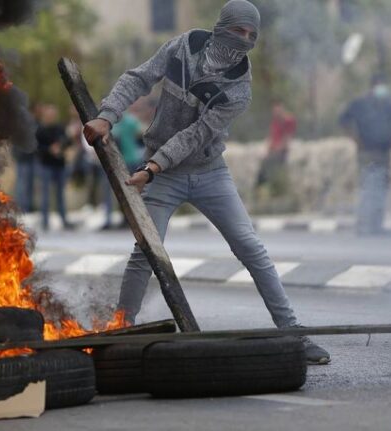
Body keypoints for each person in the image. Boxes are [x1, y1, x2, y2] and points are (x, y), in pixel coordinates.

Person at [83, 0, 330, 364]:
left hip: (208, 172)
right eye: (238, 30)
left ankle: (293, 332)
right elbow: (139, 78)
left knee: (250, 248)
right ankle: (121, 327)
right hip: (166, 176)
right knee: (146, 252)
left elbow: (197, 135)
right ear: (220, 27)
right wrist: (107, 116)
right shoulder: (182, 47)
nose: (243, 40)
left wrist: (152, 167)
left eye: (251, 35)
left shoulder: (239, 89)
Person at [339, 75, 391, 235]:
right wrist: (354, 137)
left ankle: (376, 224)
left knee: (381, 187)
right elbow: (344, 120)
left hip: (384, 153)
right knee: (367, 187)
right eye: (379, 85)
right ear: (372, 87)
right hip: (366, 152)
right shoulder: (360, 104)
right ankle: (363, 224)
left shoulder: (389, 105)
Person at [36, 104, 75, 231]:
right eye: (49, 115)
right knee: (45, 195)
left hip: (60, 165)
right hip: (46, 165)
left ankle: (63, 219)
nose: (51, 117)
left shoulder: (60, 128)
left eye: (53, 115)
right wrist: (49, 149)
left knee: (60, 194)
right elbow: (36, 148)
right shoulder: (40, 130)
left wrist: (61, 146)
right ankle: (45, 221)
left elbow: (68, 142)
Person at [256, 102, 296, 191]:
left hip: (281, 151)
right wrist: (268, 149)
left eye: (278, 110)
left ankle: (264, 186)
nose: (276, 113)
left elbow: (287, 139)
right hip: (275, 151)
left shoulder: (288, 121)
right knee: (264, 163)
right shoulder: (275, 122)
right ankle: (262, 187)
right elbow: (271, 137)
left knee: (269, 163)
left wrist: (276, 149)